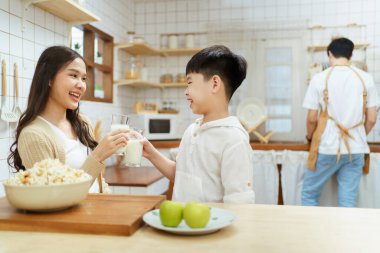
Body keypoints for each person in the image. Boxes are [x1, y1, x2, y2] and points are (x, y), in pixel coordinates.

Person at [142, 45, 255, 203]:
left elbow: (239, 201)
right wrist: (150, 153)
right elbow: (181, 175)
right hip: (182, 226)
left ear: (215, 84)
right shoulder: (191, 130)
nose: (186, 91)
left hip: (212, 227)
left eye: (190, 82)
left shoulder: (234, 138)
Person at [7, 46, 129, 193]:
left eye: (84, 78)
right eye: (73, 75)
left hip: (97, 212)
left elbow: (98, 182)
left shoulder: (82, 123)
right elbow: (53, 196)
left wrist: (111, 203)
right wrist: (98, 156)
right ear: (49, 79)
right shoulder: (34, 135)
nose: (82, 85)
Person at [303, 37, 379, 207]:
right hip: (357, 149)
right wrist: (359, 135)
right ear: (351, 56)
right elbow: (372, 118)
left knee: (309, 194)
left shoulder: (319, 78)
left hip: (326, 148)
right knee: (348, 202)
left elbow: (311, 118)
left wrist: (310, 138)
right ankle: (346, 234)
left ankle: (309, 233)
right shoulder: (365, 78)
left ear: (329, 54)